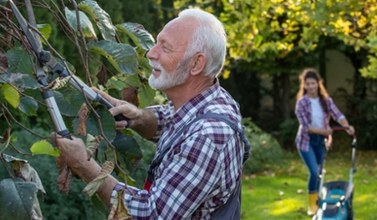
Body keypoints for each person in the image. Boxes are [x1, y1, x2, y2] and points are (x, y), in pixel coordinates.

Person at [54, 8, 250, 219]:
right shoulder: (212, 101)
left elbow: (152, 214)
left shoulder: (210, 135)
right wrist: (137, 118)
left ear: (196, 63)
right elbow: (172, 121)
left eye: (165, 48)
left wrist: (84, 165)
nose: (151, 53)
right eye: (157, 42)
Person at [294, 68, 355, 216]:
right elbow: (306, 127)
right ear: (304, 85)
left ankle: (318, 202)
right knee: (314, 171)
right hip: (306, 141)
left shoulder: (326, 101)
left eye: (313, 83)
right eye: (307, 84)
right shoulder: (301, 103)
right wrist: (325, 132)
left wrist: (347, 126)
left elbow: (337, 114)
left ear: (318, 84)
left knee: (320, 173)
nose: (311, 87)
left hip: (321, 142)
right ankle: (311, 204)